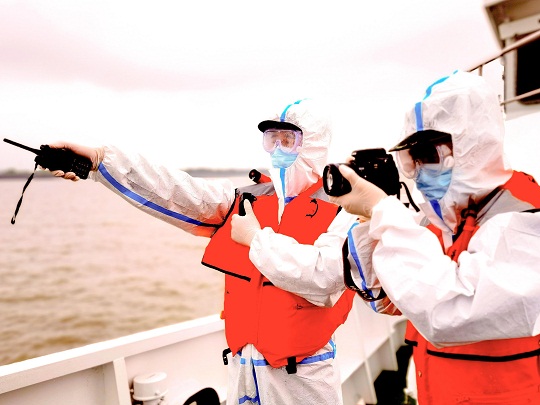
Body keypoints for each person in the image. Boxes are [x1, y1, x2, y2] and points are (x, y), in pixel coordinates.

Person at [49, 98, 357, 404]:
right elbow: (175, 190)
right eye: (271, 139)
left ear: (313, 145)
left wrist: (255, 239)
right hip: (244, 370)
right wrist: (101, 162)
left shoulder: (345, 208)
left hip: (303, 377)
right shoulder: (248, 200)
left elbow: (325, 276)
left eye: (288, 140)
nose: (277, 149)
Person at [329, 70, 540, 404]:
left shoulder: (524, 219)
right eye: (412, 160)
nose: (419, 172)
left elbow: (447, 313)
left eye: (429, 156)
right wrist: (369, 217)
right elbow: (387, 298)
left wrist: (383, 211)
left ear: (473, 146)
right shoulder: (447, 219)